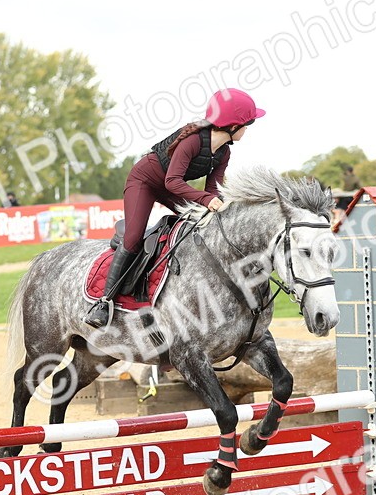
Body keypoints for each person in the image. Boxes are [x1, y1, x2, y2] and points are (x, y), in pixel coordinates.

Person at [84, 88, 265, 328]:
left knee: (200, 225)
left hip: (172, 186)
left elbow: (213, 188)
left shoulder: (224, 152)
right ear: (233, 126)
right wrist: (205, 200)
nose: (247, 129)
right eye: (247, 124)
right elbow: (172, 181)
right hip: (145, 181)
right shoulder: (192, 141)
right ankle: (104, 302)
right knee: (134, 237)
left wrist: (217, 203)